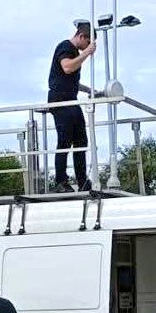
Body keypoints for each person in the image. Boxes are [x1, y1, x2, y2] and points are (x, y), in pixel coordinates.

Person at [47, 23, 97, 193]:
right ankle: (61, 181)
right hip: (60, 100)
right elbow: (67, 67)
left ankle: (82, 180)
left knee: (81, 140)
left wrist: (89, 90)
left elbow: (69, 77)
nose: (87, 47)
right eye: (88, 42)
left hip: (70, 98)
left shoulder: (74, 52)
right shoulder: (65, 47)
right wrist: (87, 53)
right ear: (82, 37)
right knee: (65, 140)